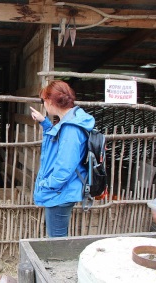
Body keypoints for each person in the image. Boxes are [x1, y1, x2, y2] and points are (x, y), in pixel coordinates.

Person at [30, 80, 95, 237]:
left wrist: (47, 185)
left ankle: (56, 262)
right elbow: (58, 139)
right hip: (62, 190)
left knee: (57, 241)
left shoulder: (71, 128)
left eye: (43, 101)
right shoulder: (71, 120)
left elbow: (64, 167)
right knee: (57, 237)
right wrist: (44, 123)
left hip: (60, 192)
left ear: (51, 101)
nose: (43, 105)